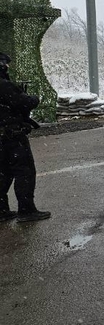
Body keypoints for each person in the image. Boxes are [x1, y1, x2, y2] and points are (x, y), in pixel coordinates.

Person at [0, 52, 51, 222]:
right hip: (12, 137)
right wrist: (33, 98)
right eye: (5, 64)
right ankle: (26, 210)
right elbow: (24, 102)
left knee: (4, 172)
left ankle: (1, 210)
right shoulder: (4, 85)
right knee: (25, 171)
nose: (7, 67)